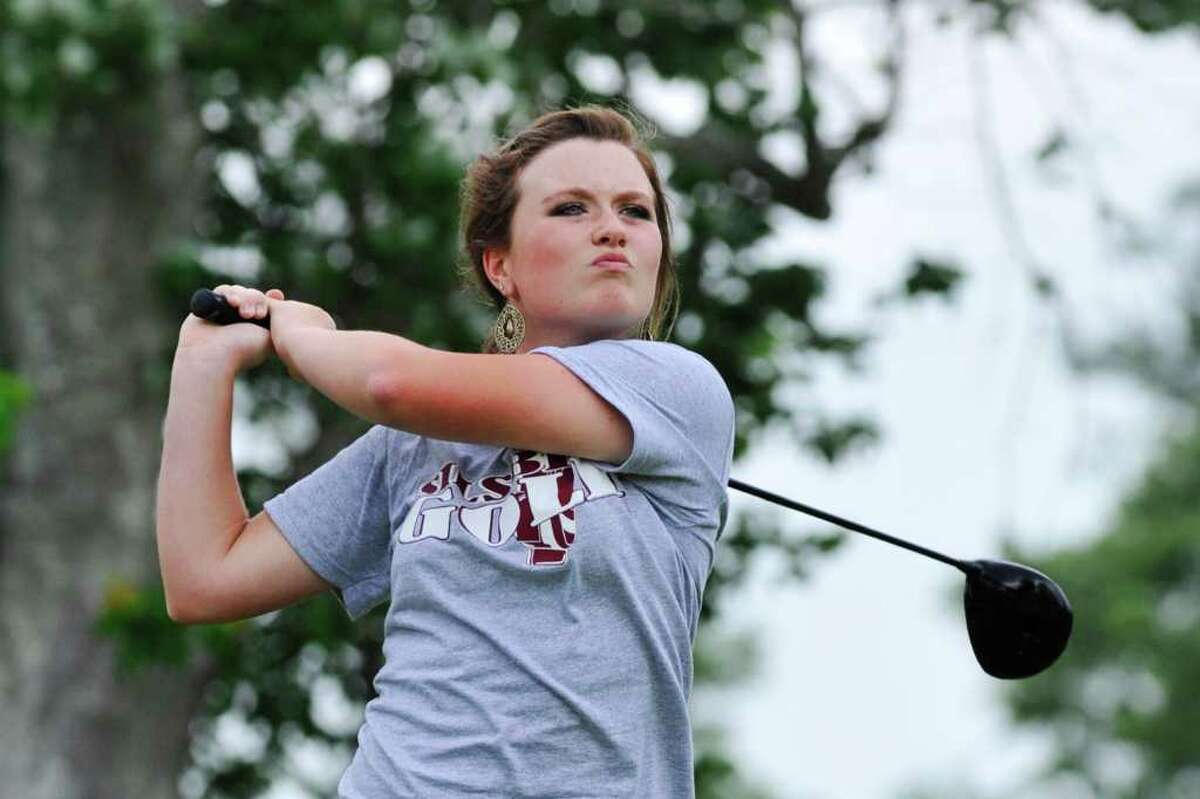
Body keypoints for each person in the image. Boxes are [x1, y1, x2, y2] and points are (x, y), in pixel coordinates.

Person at [157, 104, 736, 798]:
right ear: (501, 266)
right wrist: (201, 369)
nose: (612, 227)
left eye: (637, 212)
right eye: (571, 209)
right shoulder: (419, 446)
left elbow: (387, 380)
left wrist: (301, 331)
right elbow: (205, 577)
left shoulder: (679, 390)